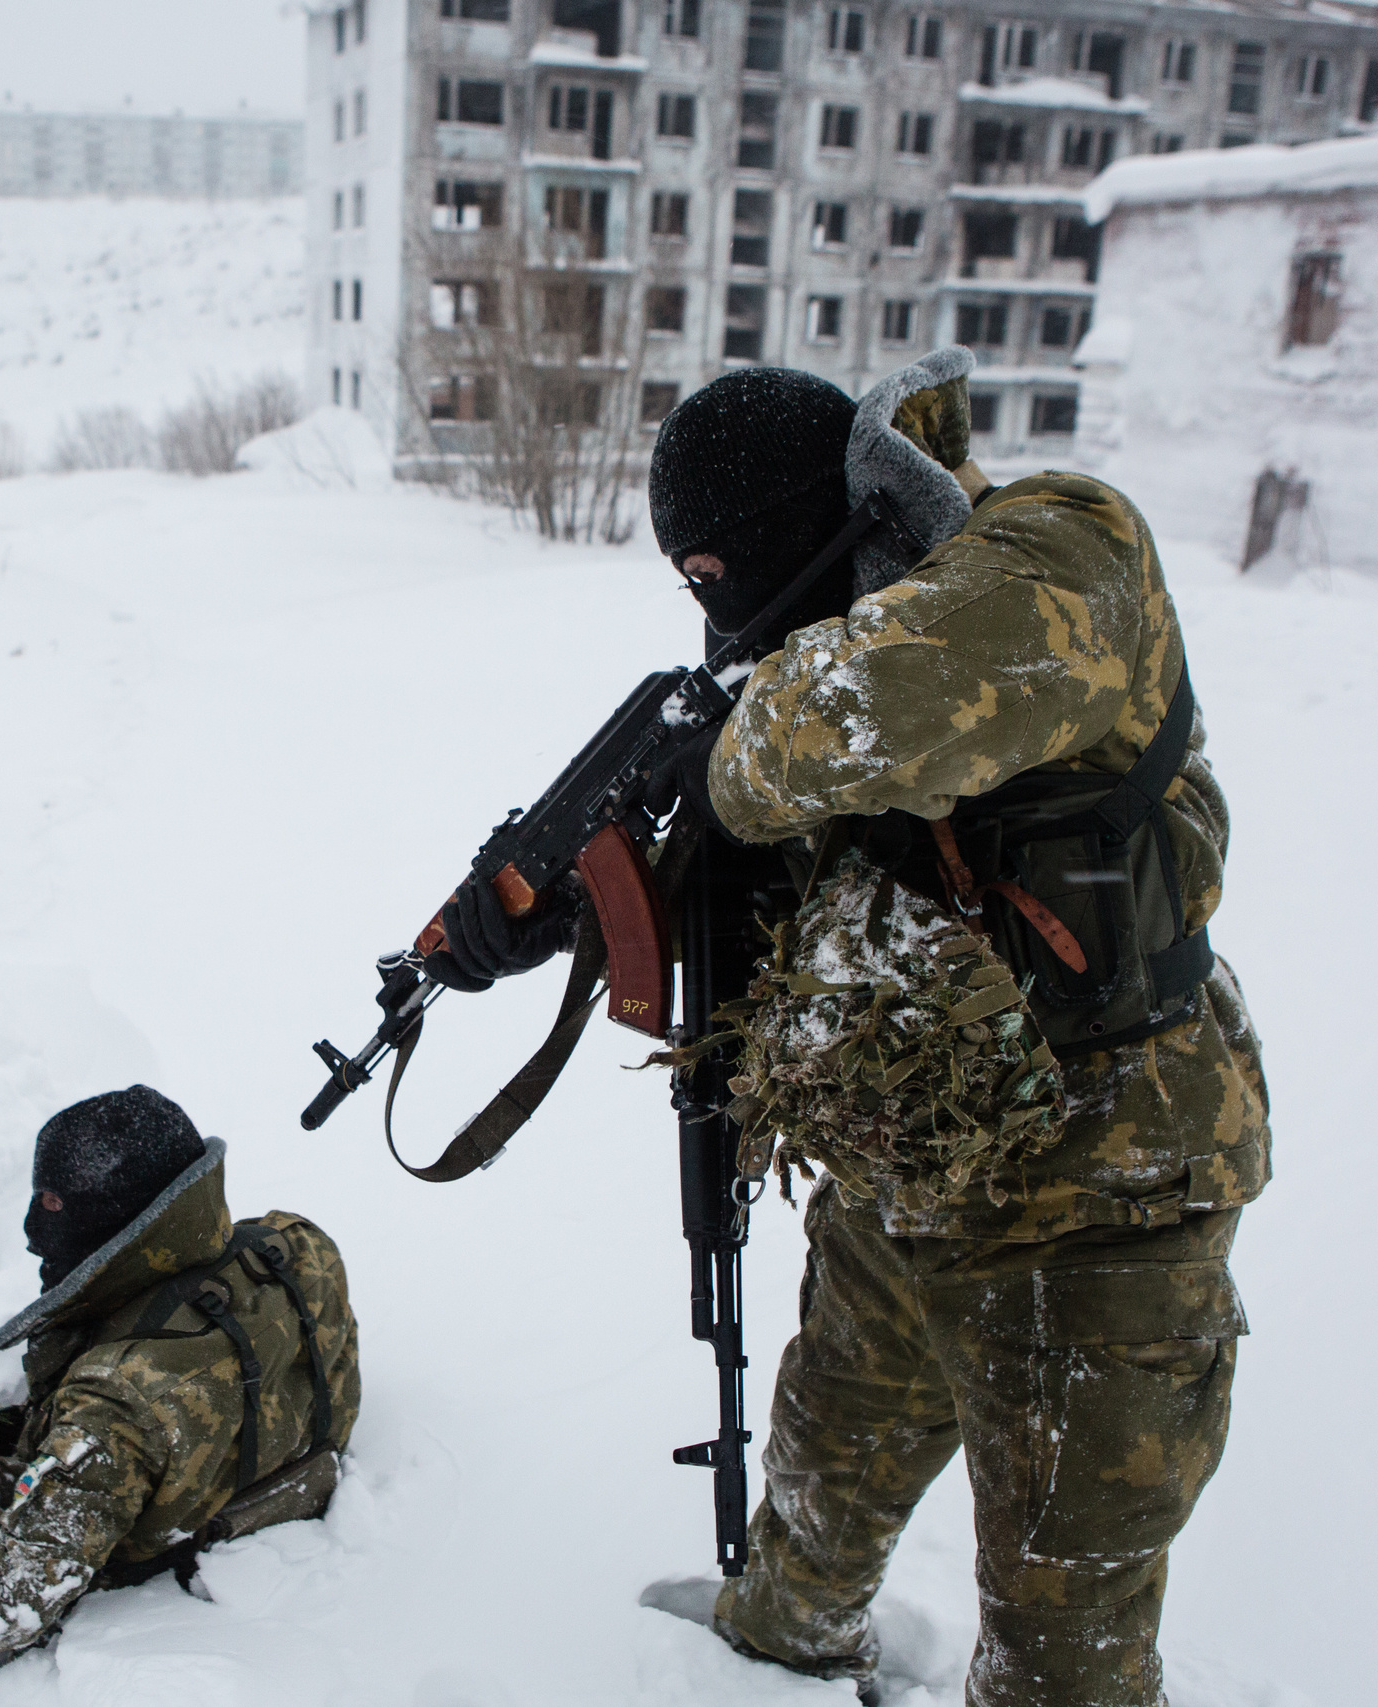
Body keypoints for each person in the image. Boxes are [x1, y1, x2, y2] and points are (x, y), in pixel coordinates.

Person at [426, 353, 1269, 1707]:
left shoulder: (1060, 545)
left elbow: (857, 716)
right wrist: (555, 901)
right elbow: (765, 858)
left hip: (1104, 1195)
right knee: (821, 1481)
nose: (720, 619)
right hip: (909, 1173)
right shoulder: (809, 645)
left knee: (1064, 1647)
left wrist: (708, 758)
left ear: (816, 522)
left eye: (721, 576)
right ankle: (777, 1653)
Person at [0, 1085, 360, 1667]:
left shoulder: (119, 1402)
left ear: (121, 1213)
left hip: (159, 1622)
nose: (32, 1231)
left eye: (53, 1203)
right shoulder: (296, 1249)